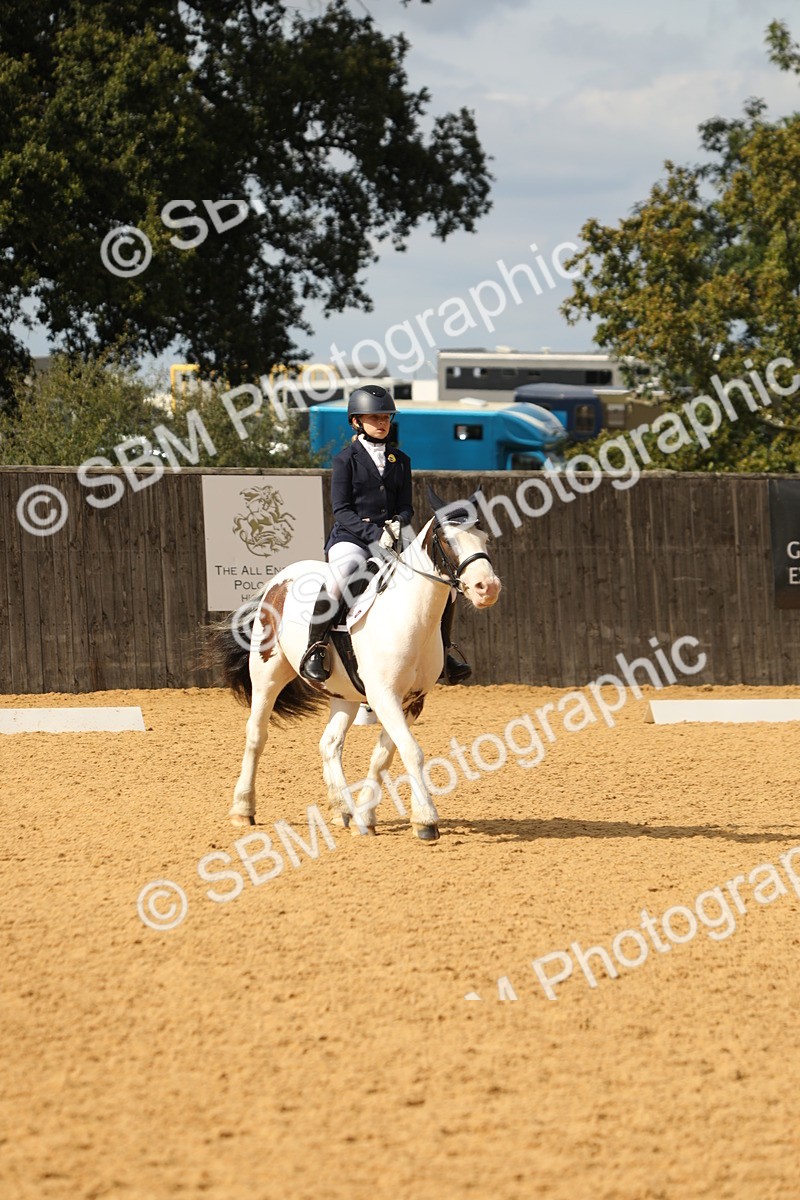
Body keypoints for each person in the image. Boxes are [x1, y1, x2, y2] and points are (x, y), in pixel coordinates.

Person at [299, 384, 472, 685]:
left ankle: (445, 651)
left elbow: (406, 506)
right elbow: (341, 510)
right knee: (343, 575)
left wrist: (398, 523)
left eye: (386, 418)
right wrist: (373, 533)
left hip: (394, 537)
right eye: (374, 418)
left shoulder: (400, 460)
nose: (382, 423)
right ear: (356, 422)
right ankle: (316, 647)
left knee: (447, 584)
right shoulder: (344, 460)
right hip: (351, 538)